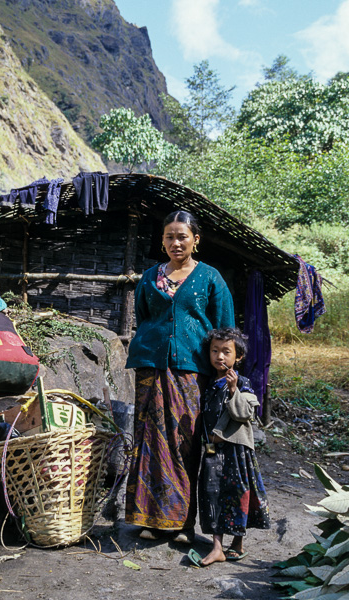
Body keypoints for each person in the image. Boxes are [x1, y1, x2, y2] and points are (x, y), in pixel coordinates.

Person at [125, 210, 235, 543]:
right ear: (162, 240)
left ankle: (181, 523)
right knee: (147, 441)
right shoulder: (149, 277)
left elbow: (225, 329)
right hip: (150, 368)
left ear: (195, 240)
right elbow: (144, 315)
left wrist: (225, 370)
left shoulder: (210, 278)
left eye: (182, 236)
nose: (175, 242)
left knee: (183, 443)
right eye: (169, 236)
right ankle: (146, 518)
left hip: (191, 371)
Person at [192, 327, 270, 567]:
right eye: (215, 351)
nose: (220, 357)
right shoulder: (208, 384)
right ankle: (217, 547)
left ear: (238, 357)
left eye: (226, 352)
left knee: (238, 496)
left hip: (236, 452)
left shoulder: (243, 383)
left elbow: (244, 412)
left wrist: (234, 389)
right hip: (213, 452)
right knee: (212, 495)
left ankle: (237, 542)